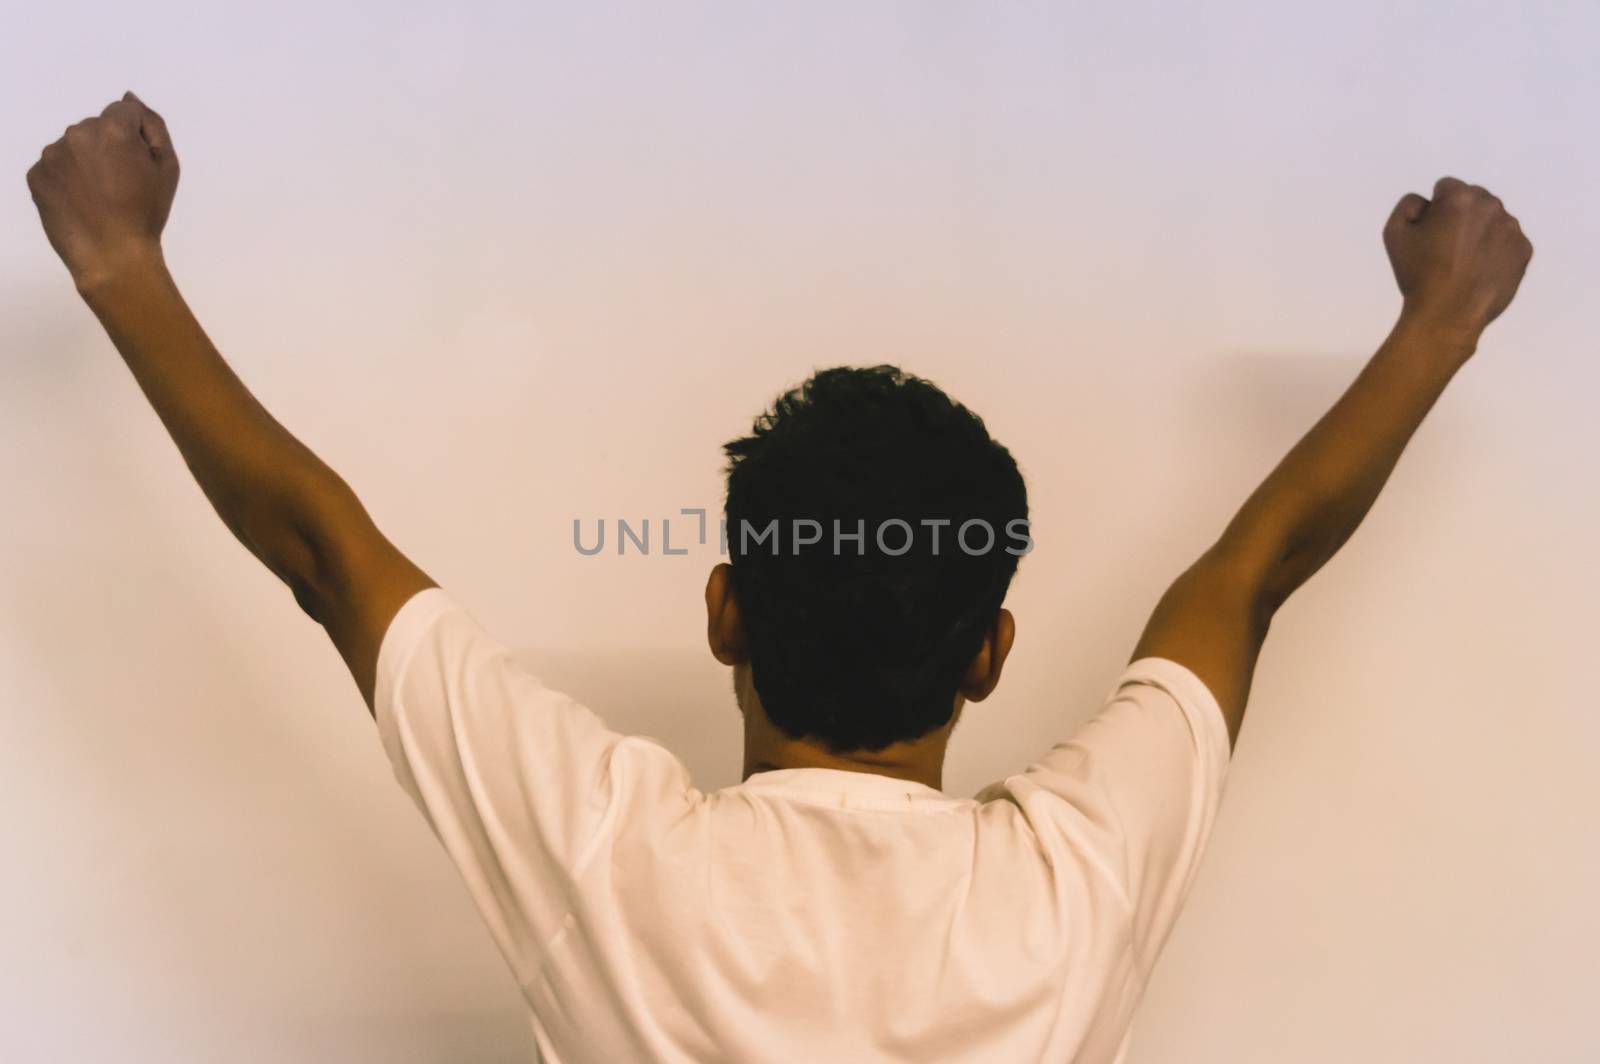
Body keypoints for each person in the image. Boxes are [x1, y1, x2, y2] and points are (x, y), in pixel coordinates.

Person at [26, 93, 1532, 1064]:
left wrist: (118, 260)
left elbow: (321, 556)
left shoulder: (615, 863)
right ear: (990, 653)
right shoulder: (1071, 888)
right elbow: (1251, 577)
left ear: (722, 613)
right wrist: (1440, 325)